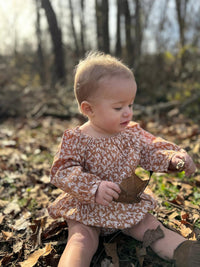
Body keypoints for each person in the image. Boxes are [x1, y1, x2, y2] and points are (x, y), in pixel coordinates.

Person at [48, 51, 198, 267]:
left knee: (150, 226)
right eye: (118, 107)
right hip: (86, 206)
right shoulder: (77, 139)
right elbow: (62, 171)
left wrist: (173, 159)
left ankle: (186, 252)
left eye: (130, 105)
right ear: (88, 109)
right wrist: (93, 188)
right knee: (82, 239)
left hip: (125, 202)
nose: (127, 113)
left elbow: (151, 149)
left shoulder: (132, 133)